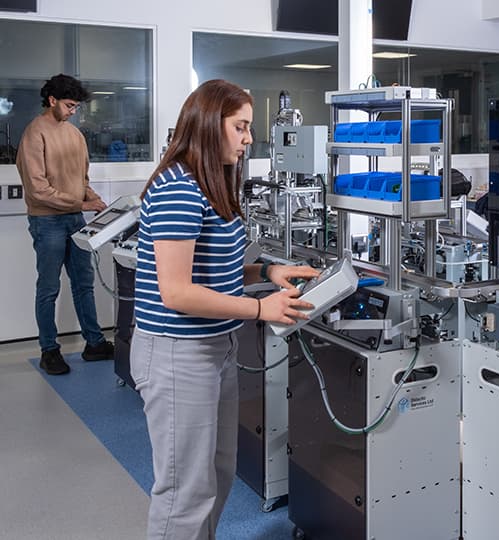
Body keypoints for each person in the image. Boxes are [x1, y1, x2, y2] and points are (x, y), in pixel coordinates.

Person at [130, 79, 319, 539]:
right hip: (178, 354)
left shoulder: (210, 185)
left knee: (219, 473)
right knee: (185, 492)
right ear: (210, 126)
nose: (249, 138)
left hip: (214, 346)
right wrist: (260, 312)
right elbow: (176, 292)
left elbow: (216, 269)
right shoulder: (179, 189)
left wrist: (267, 273)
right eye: (241, 127)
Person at [16, 73, 114, 375]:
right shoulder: (35, 134)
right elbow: (38, 190)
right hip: (47, 222)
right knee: (48, 288)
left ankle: (94, 343)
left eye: (77, 107)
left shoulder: (75, 135)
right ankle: (49, 350)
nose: (73, 111)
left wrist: (95, 200)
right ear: (52, 100)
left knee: (83, 284)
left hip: (74, 219)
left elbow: (81, 180)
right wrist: (83, 203)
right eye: (69, 106)